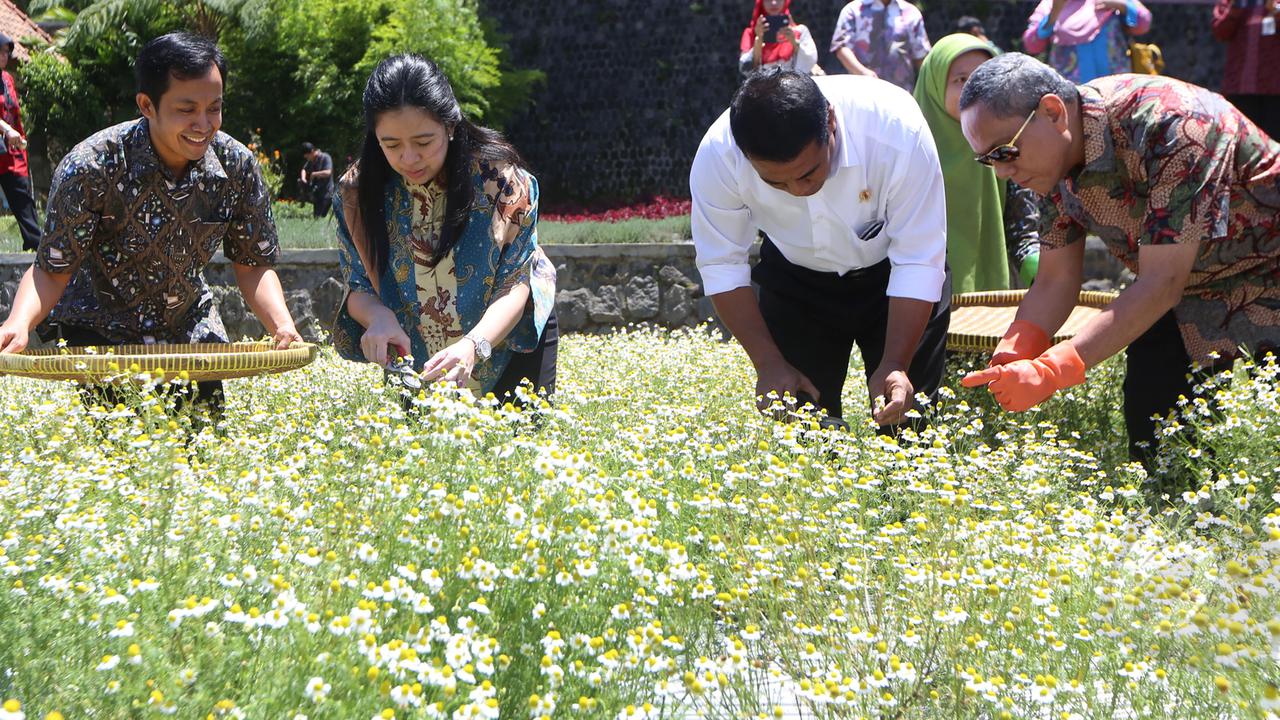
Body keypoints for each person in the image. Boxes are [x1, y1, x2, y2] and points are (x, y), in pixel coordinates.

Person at [957, 53, 1280, 466]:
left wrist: (1053, 370)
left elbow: (1162, 284)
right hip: (1186, 287)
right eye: (988, 160)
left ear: (1052, 112)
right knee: (1155, 438)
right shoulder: (1049, 161)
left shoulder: (1171, 123)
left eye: (1004, 152)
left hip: (1266, 271)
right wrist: (1015, 351)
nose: (1001, 173)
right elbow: (1056, 280)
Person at [0, 32, 301, 411]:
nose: (203, 124)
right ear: (147, 105)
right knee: (119, 441)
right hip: (100, 329)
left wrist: (281, 324)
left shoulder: (236, 166)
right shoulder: (91, 166)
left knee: (202, 438)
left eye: (214, 108)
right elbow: (52, 268)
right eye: (186, 110)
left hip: (188, 326)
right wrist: (18, 322)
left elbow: (253, 264)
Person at [690, 68, 950, 428]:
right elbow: (722, 265)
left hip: (895, 277)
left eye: (807, 173)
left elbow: (919, 259)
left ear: (830, 121)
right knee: (804, 433)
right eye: (775, 183)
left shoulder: (897, 130)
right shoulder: (719, 156)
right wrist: (767, 362)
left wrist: (896, 362)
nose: (798, 191)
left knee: (909, 427)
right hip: (795, 282)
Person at [332, 54, 557, 400]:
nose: (409, 158)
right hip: (416, 350)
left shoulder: (502, 183)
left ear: (450, 126)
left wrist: (473, 345)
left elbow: (515, 284)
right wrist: (378, 317)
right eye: (391, 145)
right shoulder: (356, 194)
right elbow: (358, 285)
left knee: (520, 433)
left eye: (424, 142)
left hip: (509, 340)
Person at [914, 34, 1039, 293]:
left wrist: (1040, 272)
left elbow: (1023, 228)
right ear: (934, 85)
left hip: (990, 300)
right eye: (961, 80)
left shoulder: (1008, 145)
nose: (975, 91)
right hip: (920, 298)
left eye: (984, 79)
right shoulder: (909, 152)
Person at [1022, 0, 1152, 83]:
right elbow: (1031, 45)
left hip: (1117, 88)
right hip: (1074, 96)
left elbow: (1144, 23)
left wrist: (1121, 5)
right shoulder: (1050, 4)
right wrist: (1054, 14)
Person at [1212, 0, 1280, 140]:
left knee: (1274, 143)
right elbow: (1219, 31)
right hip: (1239, 87)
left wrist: (1275, 11)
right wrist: (1235, 7)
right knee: (1240, 140)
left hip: (1274, 88)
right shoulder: (1231, 2)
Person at [830, 0, 932, 93]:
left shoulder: (911, 12)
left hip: (901, 94)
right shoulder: (852, 10)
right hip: (862, 93)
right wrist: (862, 72)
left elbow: (921, 56)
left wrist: (930, 86)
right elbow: (841, 47)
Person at [0, 33, 42, 251]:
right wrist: (7, 130)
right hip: (4, 142)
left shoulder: (7, 79)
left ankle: (36, 244)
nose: (4, 56)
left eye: (7, 52)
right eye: (1, 52)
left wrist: (19, 138)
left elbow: (14, 113)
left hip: (10, 152)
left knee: (22, 195)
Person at [739, 0, 821, 76]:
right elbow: (745, 69)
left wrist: (794, 41)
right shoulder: (750, 34)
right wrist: (758, 42)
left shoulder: (800, 32)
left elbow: (809, 61)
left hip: (793, 85)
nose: (774, 3)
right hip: (764, 86)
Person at [300, 141, 334, 217]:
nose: (307, 158)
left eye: (307, 156)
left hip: (326, 193)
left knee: (322, 216)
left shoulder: (325, 157)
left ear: (312, 151)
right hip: (317, 193)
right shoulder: (312, 160)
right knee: (316, 217)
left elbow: (328, 172)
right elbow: (304, 169)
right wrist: (303, 178)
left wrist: (314, 174)